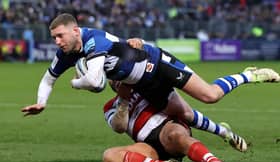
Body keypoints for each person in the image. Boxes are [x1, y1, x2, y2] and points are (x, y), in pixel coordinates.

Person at [21, 13, 277, 152]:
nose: (56, 42)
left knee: (210, 95)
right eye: (54, 37)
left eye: (59, 36)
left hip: (157, 64)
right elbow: (48, 79)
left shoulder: (93, 41)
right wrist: (41, 102)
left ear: (75, 30)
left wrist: (75, 84)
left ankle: (248, 75)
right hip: (141, 84)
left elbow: (96, 83)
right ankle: (225, 132)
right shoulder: (67, 53)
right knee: (185, 114)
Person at [103, 80, 232, 162]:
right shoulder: (110, 107)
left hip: (167, 126)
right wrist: (123, 101)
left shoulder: (144, 83)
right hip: (148, 145)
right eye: (112, 78)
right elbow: (119, 128)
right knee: (109, 156)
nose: (115, 80)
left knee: (174, 135)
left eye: (118, 76)